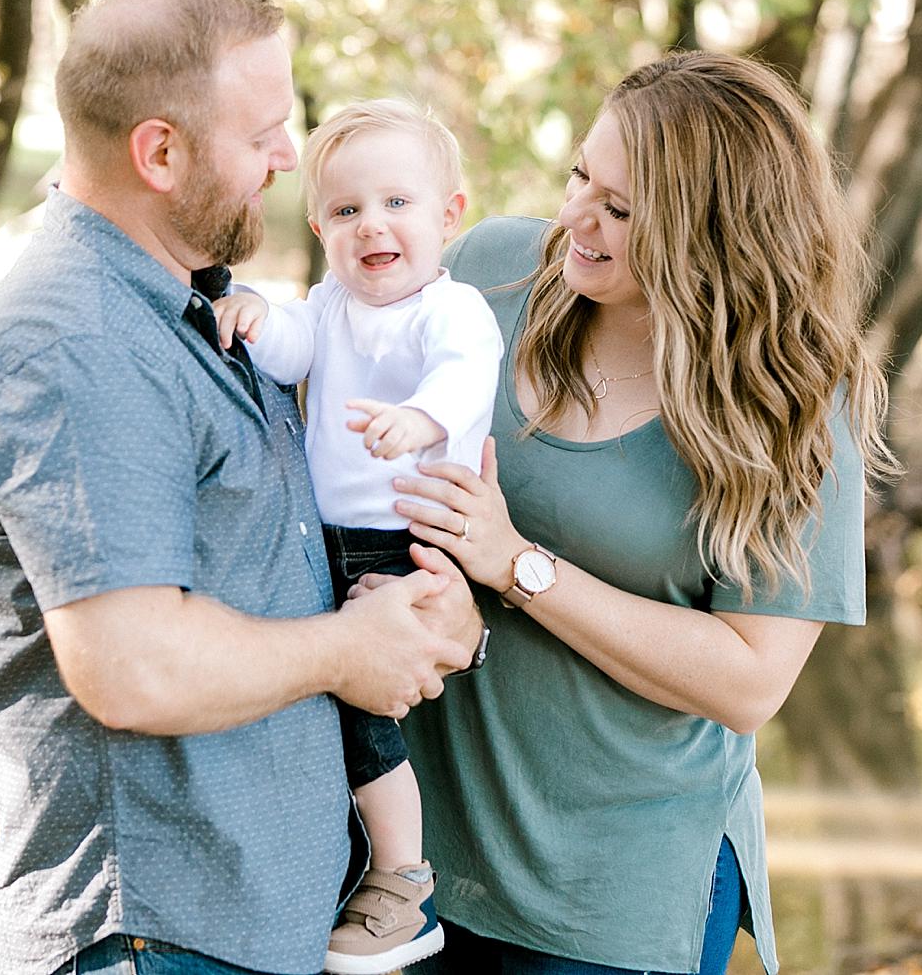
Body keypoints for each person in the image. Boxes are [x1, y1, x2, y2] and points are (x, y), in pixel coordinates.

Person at [0, 0, 482, 975]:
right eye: (263, 134)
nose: (289, 158)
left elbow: (271, 561)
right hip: (156, 939)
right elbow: (132, 666)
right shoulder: (77, 345)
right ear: (160, 152)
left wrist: (437, 620)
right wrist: (342, 651)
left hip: (257, 924)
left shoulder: (196, 304)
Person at [368, 51, 894, 975]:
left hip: (610, 897)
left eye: (621, 209)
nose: (577, 218)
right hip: (408, 869)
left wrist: (517, 565)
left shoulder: (793, 403)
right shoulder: (489, 273)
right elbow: (339, 376)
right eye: (580, 176)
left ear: (715, 232)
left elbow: (747, 681)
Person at [213, 100, 504, 974]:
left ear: (448, 216)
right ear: (320, 227)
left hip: (410, 542)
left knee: (364, 709)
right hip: (327, 536)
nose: (371, 224)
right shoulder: (332, 302)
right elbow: (293, 349)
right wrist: (256, 315)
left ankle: (399, 878)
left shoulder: (451, 313)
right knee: (313, 691)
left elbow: (463, 377)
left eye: (397, 204)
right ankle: (344, 856)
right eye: (346, 211)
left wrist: (420, 420)